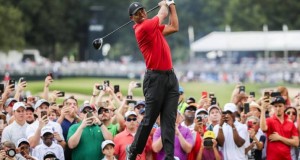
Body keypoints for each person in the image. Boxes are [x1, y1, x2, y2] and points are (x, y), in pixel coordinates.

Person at [126, 0, 179, 159]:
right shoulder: (143, 28)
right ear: (132, 18)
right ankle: (134, 150)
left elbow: (174, 26)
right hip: (154, 79)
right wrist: (164, 3)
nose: (141, 14)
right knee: (149, 120)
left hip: (170, 77)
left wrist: (172, 5)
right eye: (137, 13)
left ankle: (169, 157)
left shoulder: (153, 27)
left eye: (142, 10)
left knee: (169, 121)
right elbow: (162, 14)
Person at [260, 96, 299, 160]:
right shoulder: (269, 120)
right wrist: (263, 109)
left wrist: (280, 138)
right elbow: (263, 128)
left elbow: (296, 143)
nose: (278, 108)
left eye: (280, 106)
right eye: (275, 106)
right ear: (273, 107)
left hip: (287, 158)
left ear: (284, 107)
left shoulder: (290, 123)